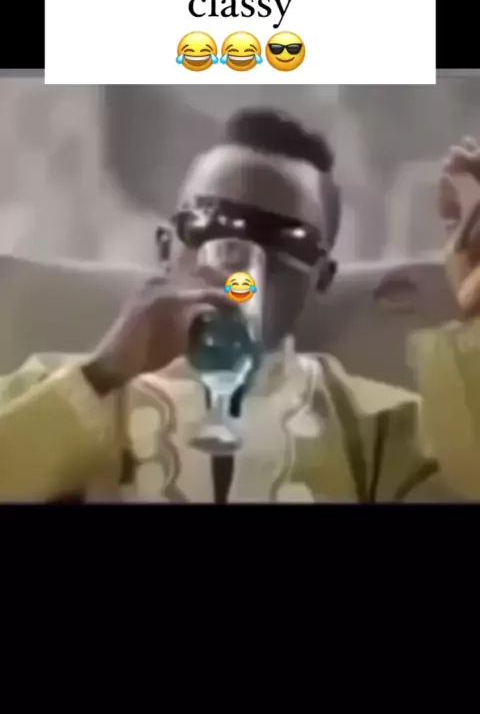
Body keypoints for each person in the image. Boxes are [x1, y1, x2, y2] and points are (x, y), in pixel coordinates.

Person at [0, 110, 476, 503]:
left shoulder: (376, 428)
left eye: (284, 239)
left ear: (321, 278)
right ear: (167, 248)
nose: (240, 264)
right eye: (211, 224)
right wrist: (103, 373)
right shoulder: (56, 389)